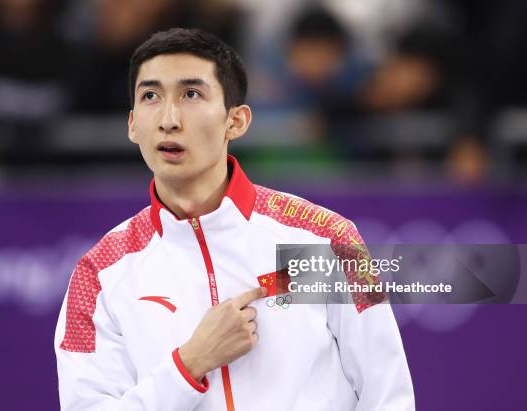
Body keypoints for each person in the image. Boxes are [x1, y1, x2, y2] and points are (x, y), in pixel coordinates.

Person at [54, 28, 414, 410]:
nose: (169, 119)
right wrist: (189, 365)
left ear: (236, 121)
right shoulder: (97, 275)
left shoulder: (327, 238)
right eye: (150, 97)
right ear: (131, 124)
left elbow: (387, 395)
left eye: (191, 94)